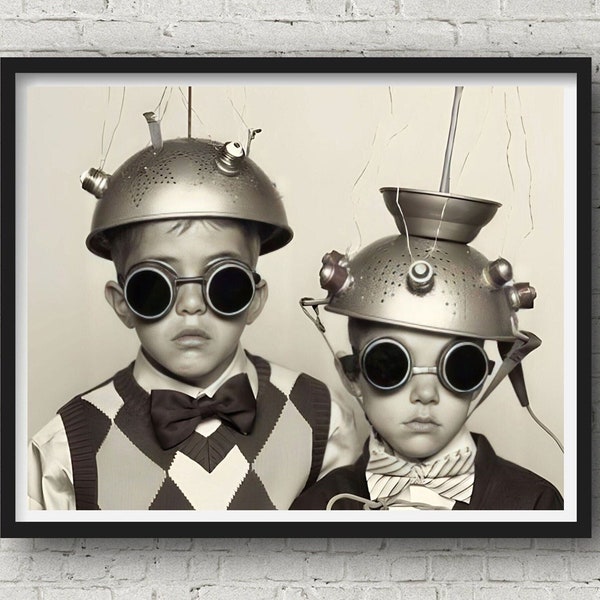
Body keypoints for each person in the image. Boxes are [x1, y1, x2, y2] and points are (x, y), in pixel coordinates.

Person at [28, 117, 361, 510]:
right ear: (122, 303)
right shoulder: (66, 446)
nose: (191, 305)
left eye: (224, 284)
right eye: (154, 288)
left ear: (255, 299)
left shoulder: (322, 419)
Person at [292, 187, 563, 511]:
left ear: (483, 375)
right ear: (352, 374)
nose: (425, 393)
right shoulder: (318, 508)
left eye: (458, 367)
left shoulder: (535, 505)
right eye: (391, 365)